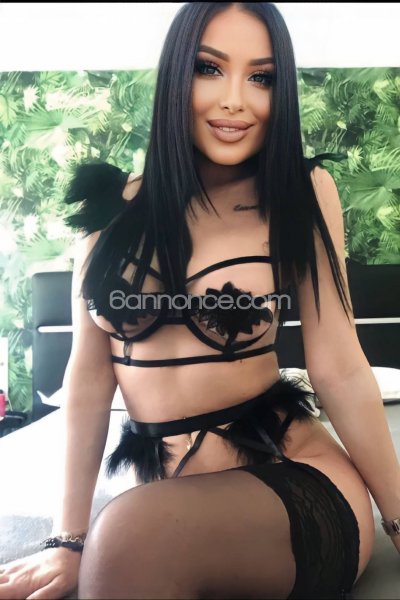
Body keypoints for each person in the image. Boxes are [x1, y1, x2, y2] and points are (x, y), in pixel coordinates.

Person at [1, 2, 400, 599]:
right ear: (176, 75)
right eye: (210, 68)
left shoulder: (300, 192)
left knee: (131, 535)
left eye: (261, 77)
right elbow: (87, 380)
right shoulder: (111, 211)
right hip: (165, 503)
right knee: (130, 534)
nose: (235, 100)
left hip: (296, 482)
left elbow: (340, 367)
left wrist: (398, 518)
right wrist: (69, 538)